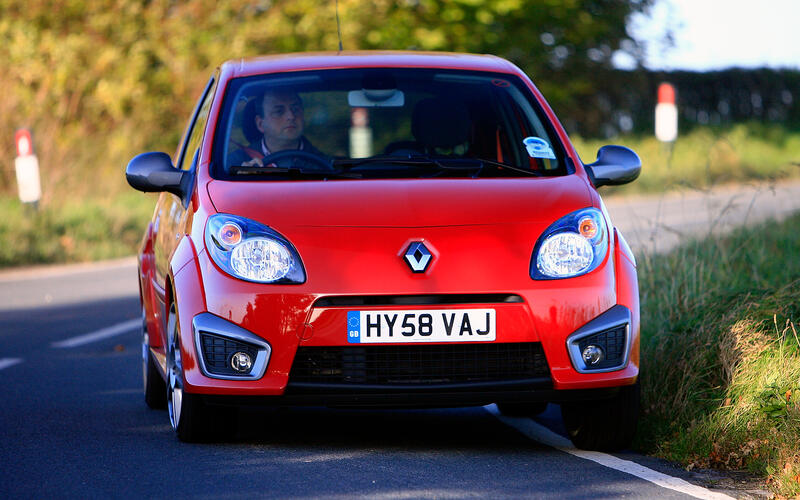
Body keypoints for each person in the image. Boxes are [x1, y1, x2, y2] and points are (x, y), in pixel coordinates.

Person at [228, 89, 326, 168]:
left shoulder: (325, 163)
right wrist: (243, 180)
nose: (290, 116)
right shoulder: (235, 164)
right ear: (260, 124)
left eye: (295, 109)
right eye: (279, 111)